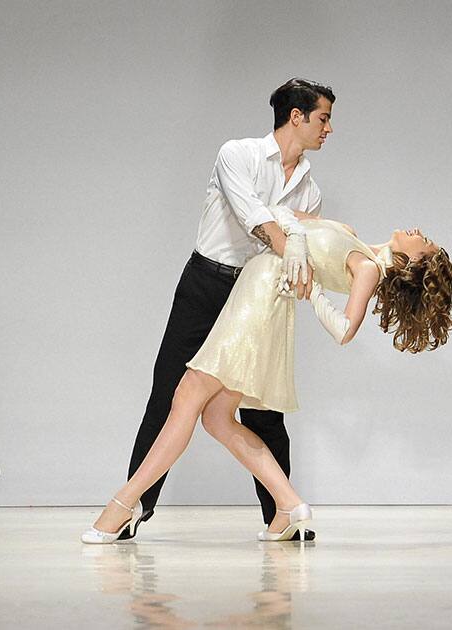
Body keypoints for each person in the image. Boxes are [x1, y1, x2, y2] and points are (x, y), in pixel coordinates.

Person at [84, 219, 452, 543]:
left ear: (418, 263)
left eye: (427, 242)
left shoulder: (369, 268)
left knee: (186, 397)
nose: (420, 233)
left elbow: (344, 331)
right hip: (253, 296)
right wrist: (289, 232)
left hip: (259, 304)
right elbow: (285, 216)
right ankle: (288, 504)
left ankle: (122, 504)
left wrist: (315, 293)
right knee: (215, 418)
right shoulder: (354, 238)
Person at [122, 78, 334, 541]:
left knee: (264, 408)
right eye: (323, 117)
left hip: (255, 295)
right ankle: (133, 509)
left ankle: (281, 516)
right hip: (207, 281)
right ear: (295, 116)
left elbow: (308, 242)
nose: (329, 129)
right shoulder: (237, 154)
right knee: (168, 393)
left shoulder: (309, 188)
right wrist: (289, 245)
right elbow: (253, 216)